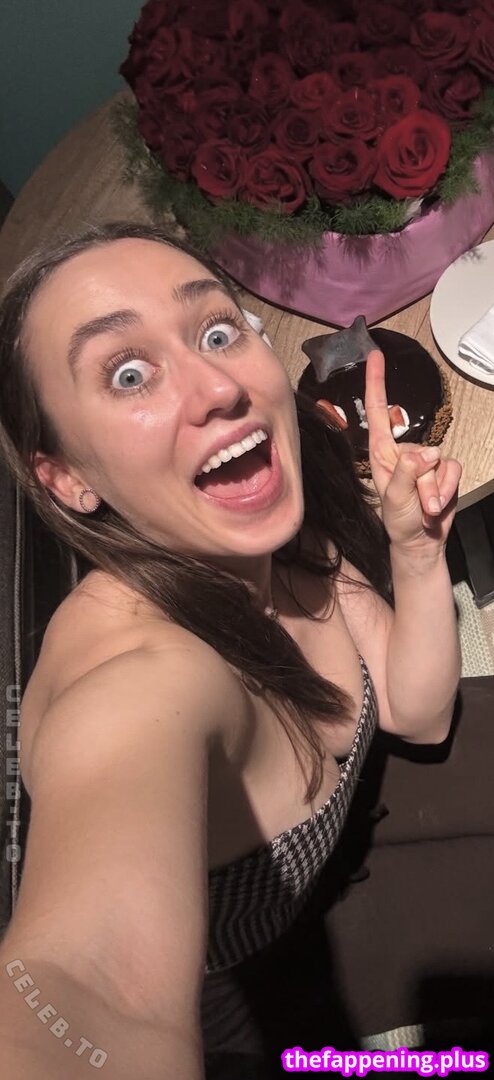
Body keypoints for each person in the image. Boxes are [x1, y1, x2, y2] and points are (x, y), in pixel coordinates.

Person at [0, 221, 463, 1079]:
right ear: (66, 477)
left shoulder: (269, 523)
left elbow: (420, 713)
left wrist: (415, 548)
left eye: (216, 332)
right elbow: (86, 986)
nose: (219, 387)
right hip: (256, 998)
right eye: (128, 373)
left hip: (349, 868)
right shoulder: (137, 684)